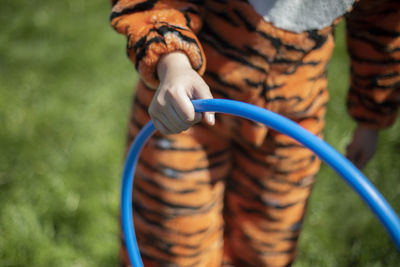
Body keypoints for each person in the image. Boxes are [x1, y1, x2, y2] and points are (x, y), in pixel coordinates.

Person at [110, 0, 400, 266]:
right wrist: (172, 62)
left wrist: (371, 116)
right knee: (170, 240)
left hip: (292, 120)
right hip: (185, 106)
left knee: (267, 247)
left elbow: (382, 23)